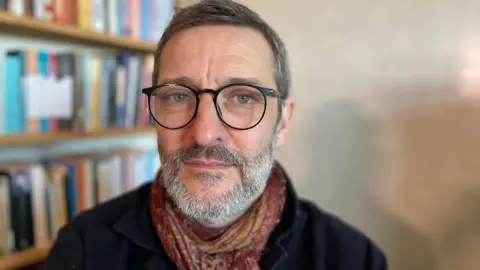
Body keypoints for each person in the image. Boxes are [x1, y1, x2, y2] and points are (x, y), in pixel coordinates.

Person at [44, 0, 387, 269]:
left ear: (282, 122)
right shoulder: (85, 247)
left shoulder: (352, 258)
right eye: (178, 96)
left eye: (242, 98)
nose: (205, 134)